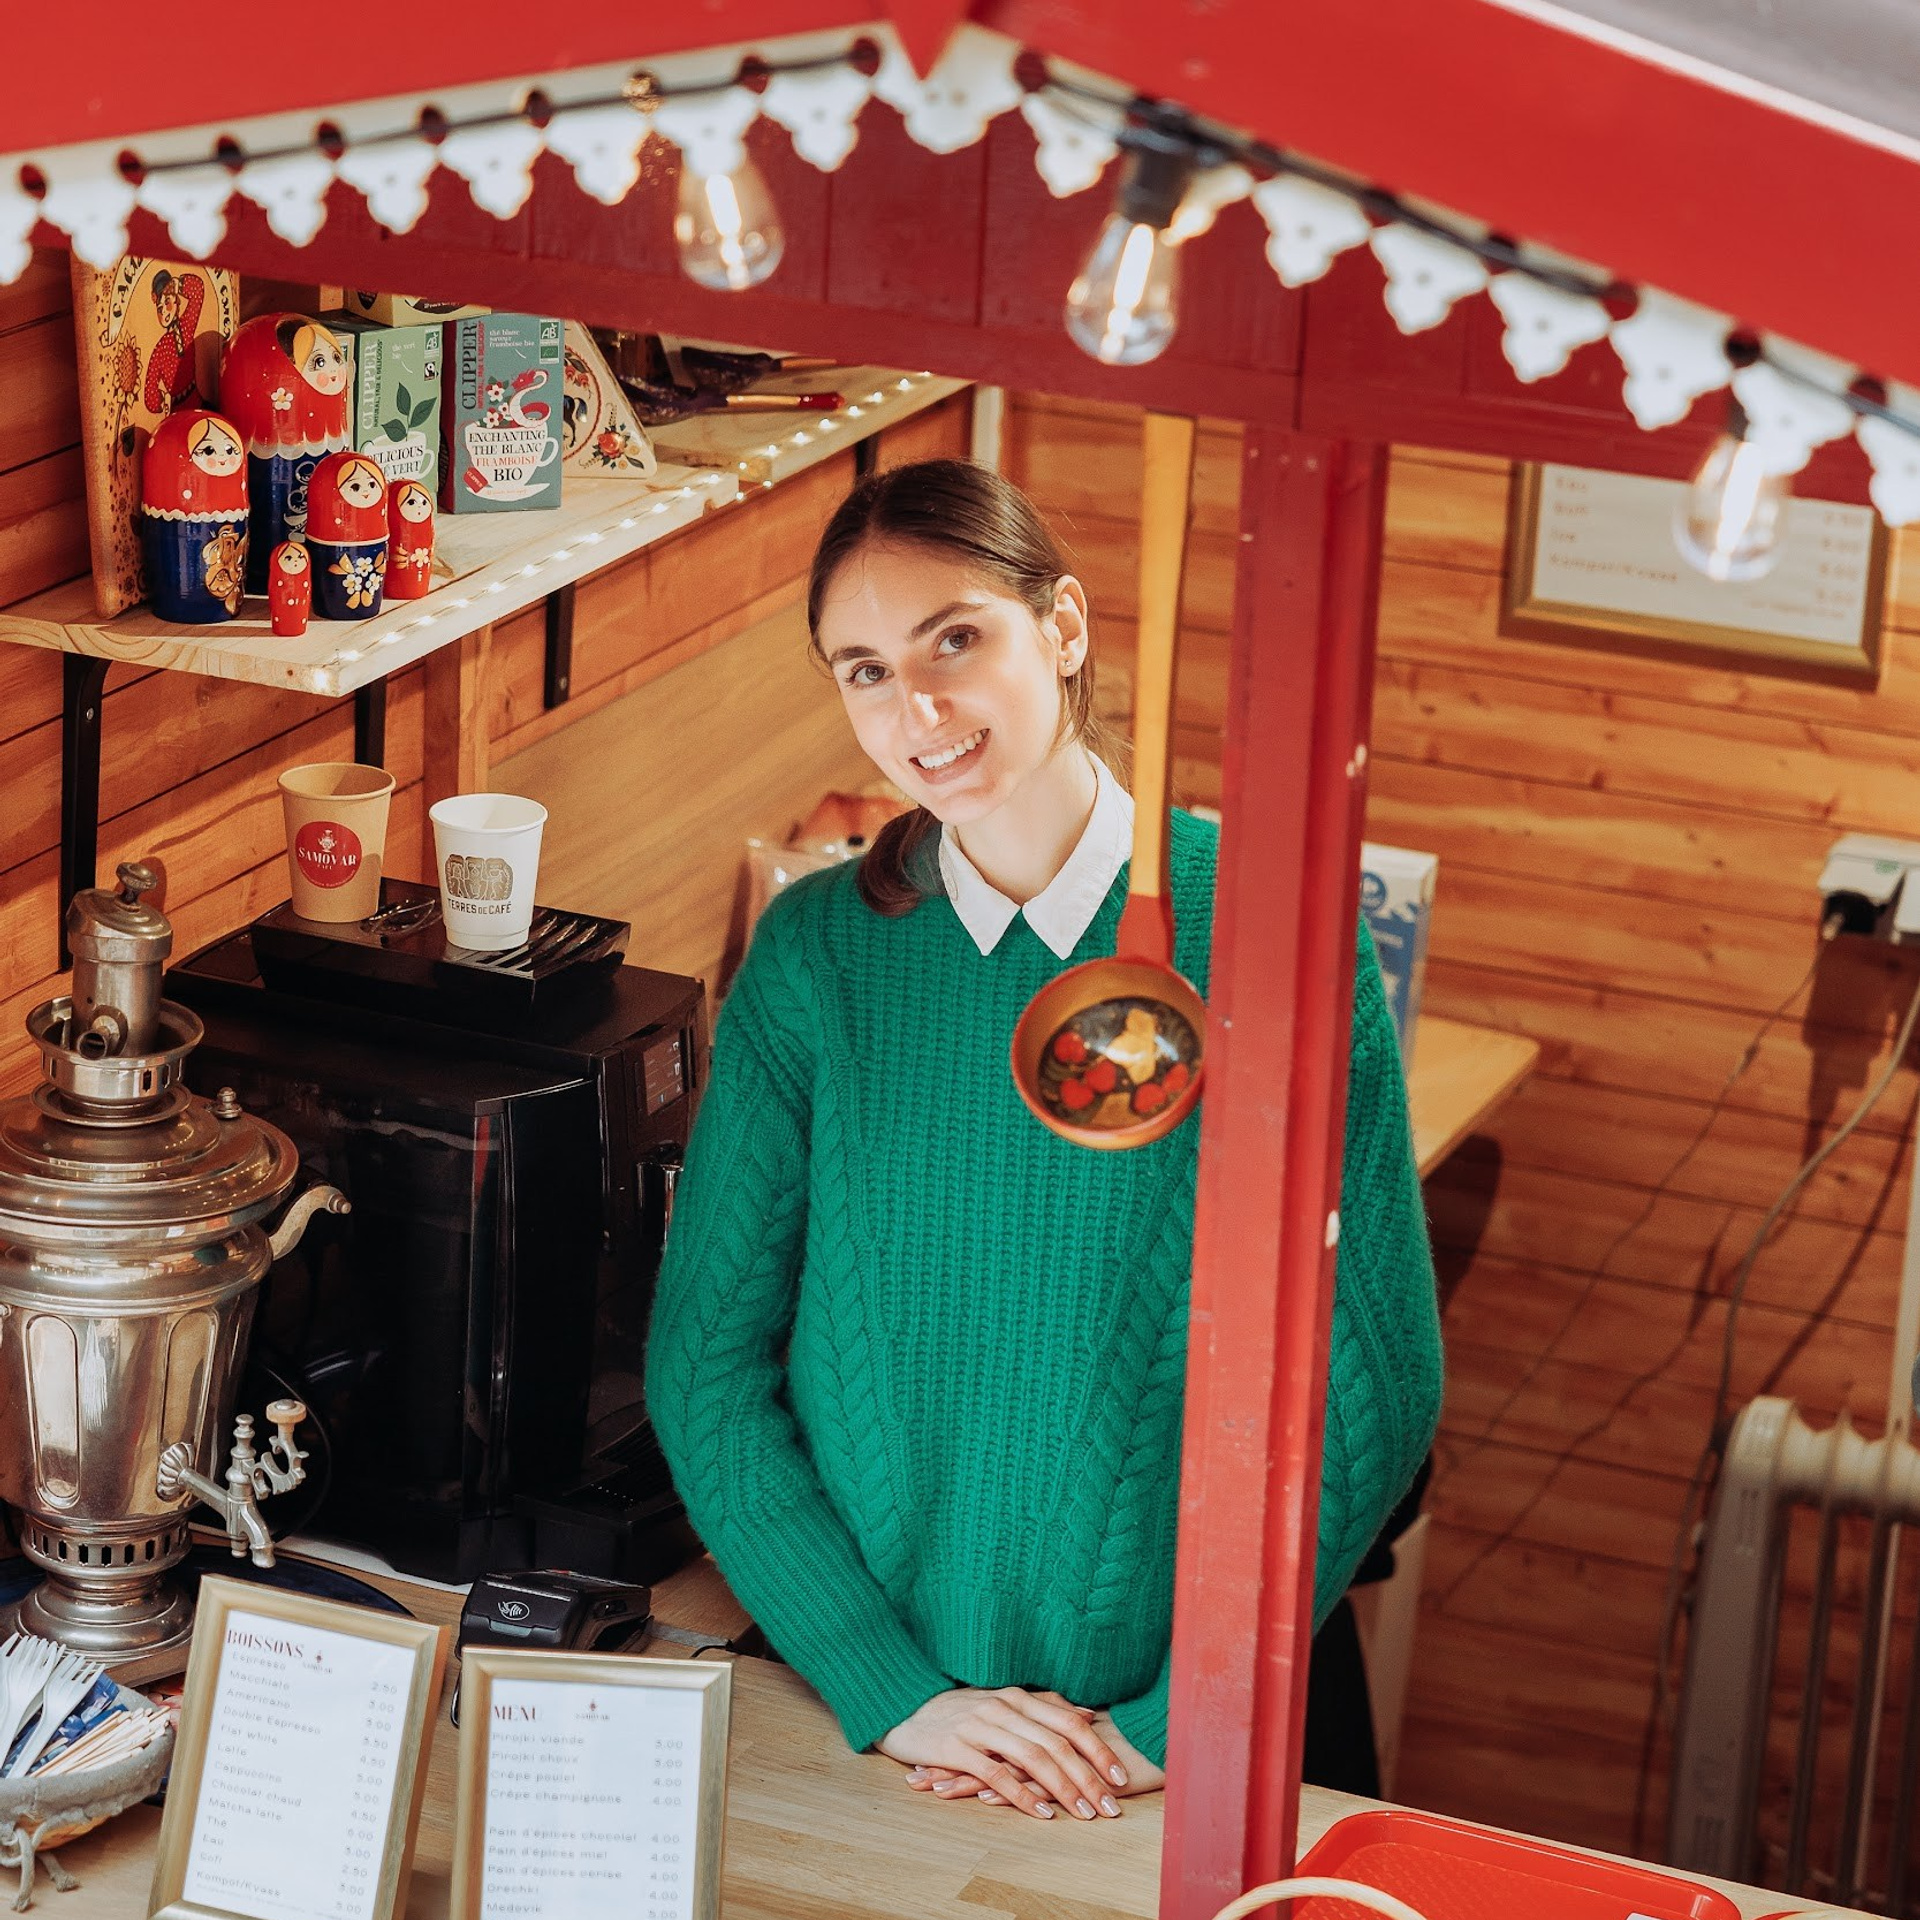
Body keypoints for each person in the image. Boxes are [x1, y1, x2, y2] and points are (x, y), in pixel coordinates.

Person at [645, 457, 1443, 1826]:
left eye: (957, 638)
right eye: (867, 671)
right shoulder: (815, 965)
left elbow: (1372, 1388)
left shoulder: (1278, 935)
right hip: (902, 1745)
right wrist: (887, 1686)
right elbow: (704, 1369)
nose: (920, 711)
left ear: (1062, 629)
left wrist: (1165, 1726)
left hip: (1178, 1748)